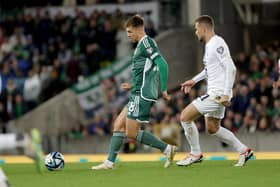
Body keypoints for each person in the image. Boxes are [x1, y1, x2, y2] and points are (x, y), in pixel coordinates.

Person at [91, 15, 177, 170]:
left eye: (130, 32)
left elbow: (162, 64)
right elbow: (147, 69)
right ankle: (109, 163)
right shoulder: (140, 45)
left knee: (131, 133)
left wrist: (163, 88)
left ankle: (167, 149)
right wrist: (132, 85)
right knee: (118, 125)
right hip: (136, 90)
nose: (128, 35)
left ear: (138, 29)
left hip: (142, 94)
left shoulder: (147, 43)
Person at [176, 15, 253, 167]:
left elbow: (231, 67)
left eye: (196, 29)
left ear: (203, 29)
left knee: (185, 117)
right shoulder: (210, 45)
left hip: (217, 94)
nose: (196, 32)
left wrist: (226, 92)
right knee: (213, 128)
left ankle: (195, 153)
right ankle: (244, 150)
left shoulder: (217, 43)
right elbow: (208, 69)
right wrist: (194, 80)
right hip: (218, 93)